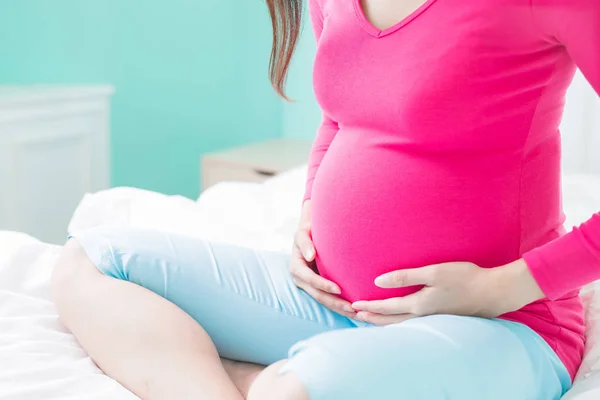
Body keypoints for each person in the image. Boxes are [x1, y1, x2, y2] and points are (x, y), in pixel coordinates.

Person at [52, 0, 600, 399]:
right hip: (329, 301)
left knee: (286, 392)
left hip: (502, 326)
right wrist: (311, 211)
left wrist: (502, 286)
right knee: (92, 261)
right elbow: (341, 116)